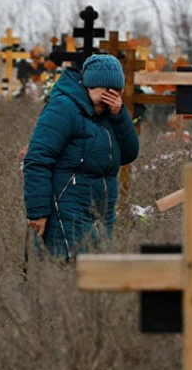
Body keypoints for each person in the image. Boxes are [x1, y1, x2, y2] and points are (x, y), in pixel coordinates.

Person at [23, 54, 139, 259]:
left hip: (100, 215)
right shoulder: (64, 108)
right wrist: (38, 212)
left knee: (95, 274)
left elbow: (129, 154)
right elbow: (38, 159)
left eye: (117, 92)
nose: (111, 97)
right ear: (90, 86)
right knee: (69, 272)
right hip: (66, 213)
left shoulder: (109, 115)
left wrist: (119, 116)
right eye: (106, 91)